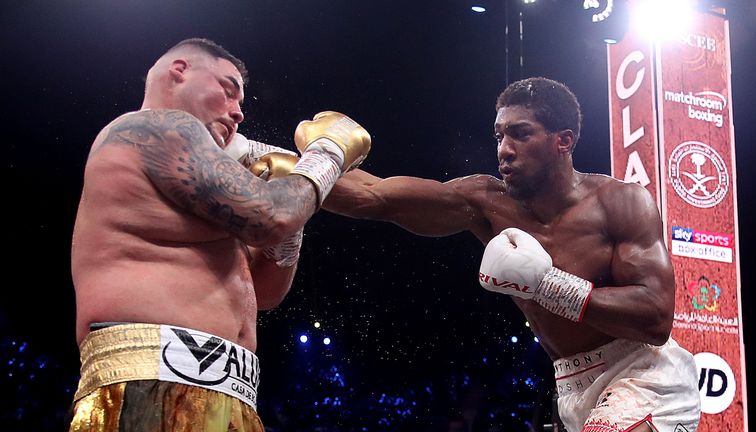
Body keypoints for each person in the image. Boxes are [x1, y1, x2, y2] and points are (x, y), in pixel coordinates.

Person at [324, 77, 701, 432]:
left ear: (563, 141)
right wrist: (297, 163)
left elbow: (655, 318)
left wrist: (548, 284)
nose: (504, 149)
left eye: (521, 134)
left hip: (645, 374)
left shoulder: (620, 202)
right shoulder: (485, 203)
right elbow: (375, 197)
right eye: (499, 135)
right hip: (572, 385)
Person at [69, 38, 371, 431]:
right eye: (228, 90)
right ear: (179, 71)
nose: (238, 112)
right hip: (150, 382)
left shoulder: (204, 189)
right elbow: (273, 214)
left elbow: (264, 293)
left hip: (231, 394)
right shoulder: (153, 128)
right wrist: (328, 151)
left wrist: (289, 226)